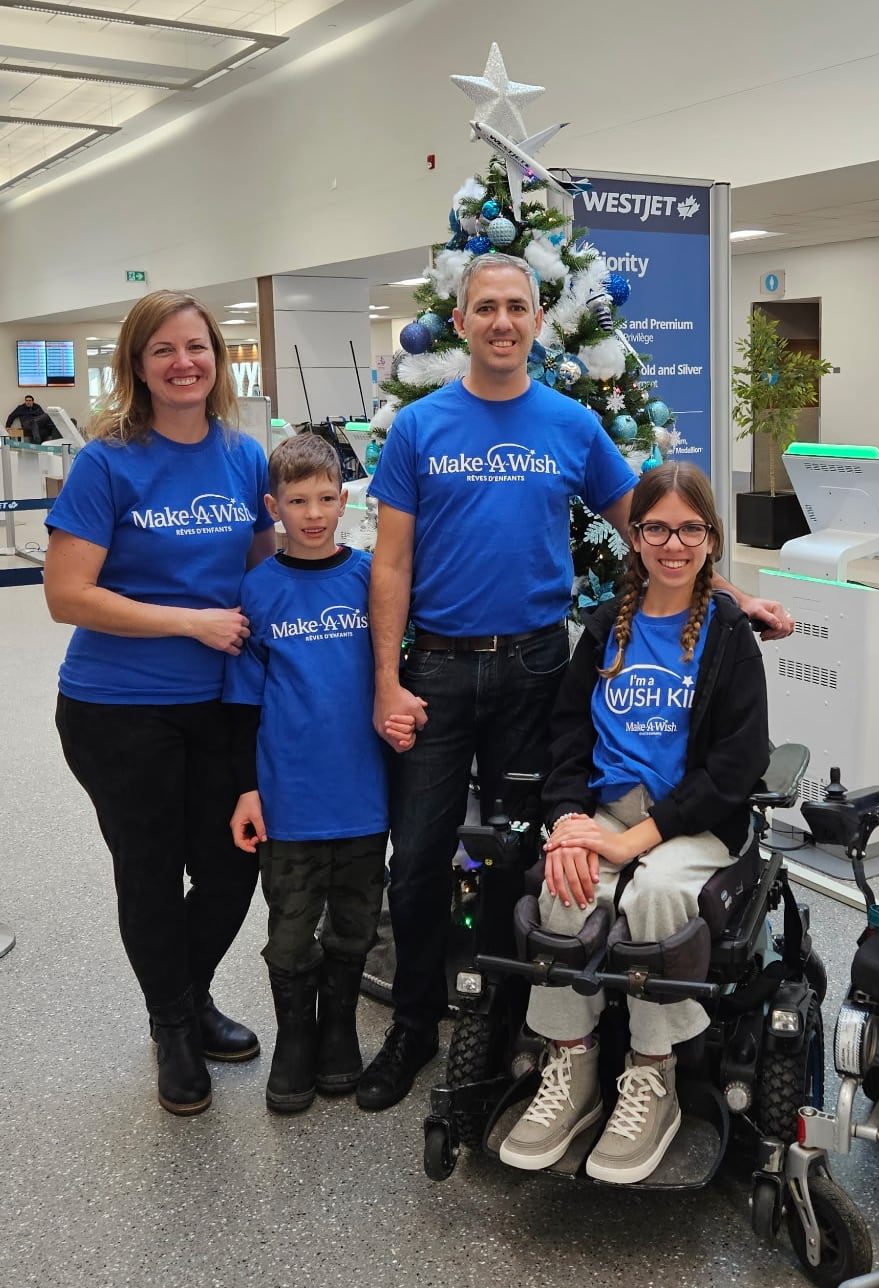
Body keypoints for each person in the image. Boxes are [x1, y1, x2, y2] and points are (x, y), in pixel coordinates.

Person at [364, 250, 794, 1111]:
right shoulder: (419, 428)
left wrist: (731, 595)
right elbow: (393, 560)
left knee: (535, 854)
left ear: (536, 319)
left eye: (516, 307)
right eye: (484, 307)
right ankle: (416, 1024)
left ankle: (533, 1025)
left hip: (534, 664)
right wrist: (386, 682)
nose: (501, 322)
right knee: (416, 859)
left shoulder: (569, 423)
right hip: (439, 668)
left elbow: (657, 526)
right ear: (461, 321)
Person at [498, 461, 769, 1182]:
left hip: (694, 821)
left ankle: (654, 1076)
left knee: (653, 894)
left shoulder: (728, 633)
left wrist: (631, 840)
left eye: (689, 529)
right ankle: (574, 1066)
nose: (672, 544)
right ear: (635, 536)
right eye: (656, 528)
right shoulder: (603, 628)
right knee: (565, 882)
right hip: (605, 809)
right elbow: (566, 742)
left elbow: (735, 769)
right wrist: (566, 822)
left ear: (711, 539)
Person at [44, 289, 275, 1117]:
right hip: (117, 706)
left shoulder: (245, 457)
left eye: (198, 348)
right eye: (163, 351)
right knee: (147, 872)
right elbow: (67, 595)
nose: (184, 363)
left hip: (218, 703)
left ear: (218, 359)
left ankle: (192, 991)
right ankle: (173, 1024)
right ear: (137, 367)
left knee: (230, 862)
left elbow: (262, 568)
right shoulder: (109, 461)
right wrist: (190, 621)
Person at [224, 433, 416, 1112]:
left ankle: (338, 1032)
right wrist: (247, 786)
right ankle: (295, 1039)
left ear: (344, 500)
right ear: (274, 505)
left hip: (364, 794)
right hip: (289, 798)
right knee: (289, 927)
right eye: (298, 500)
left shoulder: (369, 578)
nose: (313, 512)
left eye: (326, 498)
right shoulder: (259, 588)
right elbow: (244, 704)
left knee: (356, 922)